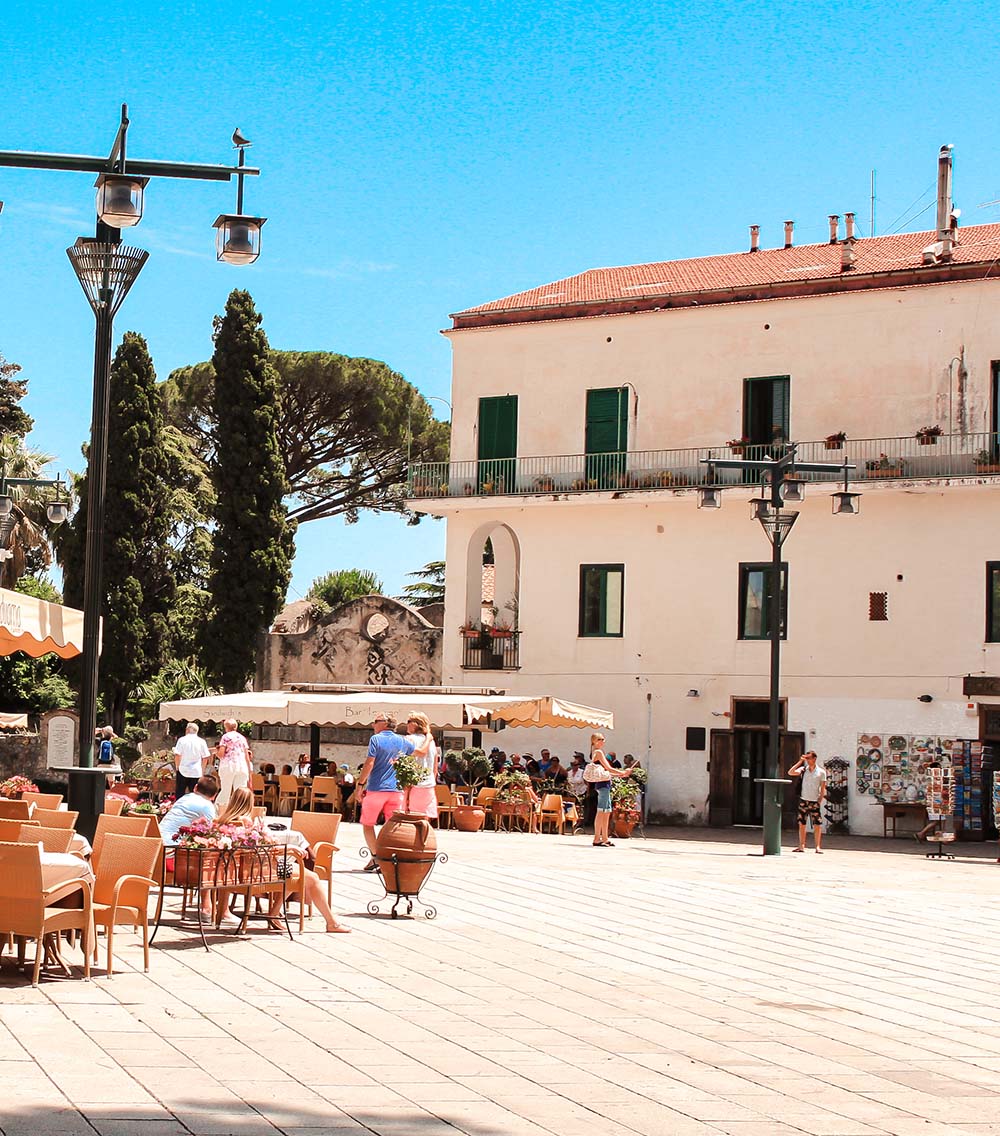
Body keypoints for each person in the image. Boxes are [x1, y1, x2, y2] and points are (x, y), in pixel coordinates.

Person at [215, 788, 350, 933]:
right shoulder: (246, 822)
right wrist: (289, 848)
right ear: (249, 803)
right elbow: (262, 848)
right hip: (257, 871)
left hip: (233, 871)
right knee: (310, 876)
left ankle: (275, 911)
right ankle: (331, 923)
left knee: (293, 871)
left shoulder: (222, 821)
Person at [357, 714, 429, 870]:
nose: (373, 725)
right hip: (396, 791)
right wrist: (429, 737)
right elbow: (421, 753)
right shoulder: (403, 741)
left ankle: (376, 857)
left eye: (375, 722)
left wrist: (360, 784)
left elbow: (370, 763)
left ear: (384, 724)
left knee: (368, 824)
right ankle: (390, 859)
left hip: (376, 788)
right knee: (393, 826)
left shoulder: (375, 739)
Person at [588, 732, 629, 847]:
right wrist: (622, 773)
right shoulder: (598, 752)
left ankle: (604, 838)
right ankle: (597, 838)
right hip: (602, 785)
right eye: (600, 739)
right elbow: (608, 768)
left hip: (604, 783)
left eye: (603, 739)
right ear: (594, 741)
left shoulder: (595, 752)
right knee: (601, 811)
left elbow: (607, 770)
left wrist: (620, 774)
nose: (602, 741)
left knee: (606, 812)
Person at [788, 751, 827, 853]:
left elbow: (823, 788)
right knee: (802, 823)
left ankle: (817, 846)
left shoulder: (821, 772)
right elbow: (790, 772)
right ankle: (801, 845)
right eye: (807, 758)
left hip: (814, 801)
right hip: (803, 800)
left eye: (809, 758)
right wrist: (800, 762)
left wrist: (820, 800)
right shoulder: (803, 770)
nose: (808, 760)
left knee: (817, 824)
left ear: (814, 759)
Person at [403, 711, 438, 818]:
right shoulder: (431, 742)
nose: (406, 724)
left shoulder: (409, 740)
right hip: (429, 784)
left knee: (409, 817)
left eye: (409, 721)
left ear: (415, 724)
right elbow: (435, 767)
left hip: (413, 785)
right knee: (424, 817)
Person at [216, 718, 253, 809]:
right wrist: (249, 771)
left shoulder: (225, 737)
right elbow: (246, 755)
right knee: (240, 791)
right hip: (242, 766)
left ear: (226, 727)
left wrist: (216, 753)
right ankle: (240, 811)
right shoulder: (242, 738)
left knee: (226, 790)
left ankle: (218, 811)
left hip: (228, 765)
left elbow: (221, 754)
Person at [173, 723, 210, 798]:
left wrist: (177, 767)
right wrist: (202, 770)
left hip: (183, 769)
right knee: (196, 794)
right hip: (196, 771)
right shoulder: (201, 741)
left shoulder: (182, 740)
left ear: (187, 730)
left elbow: (177, 754)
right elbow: (205, 757)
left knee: (180, 793)